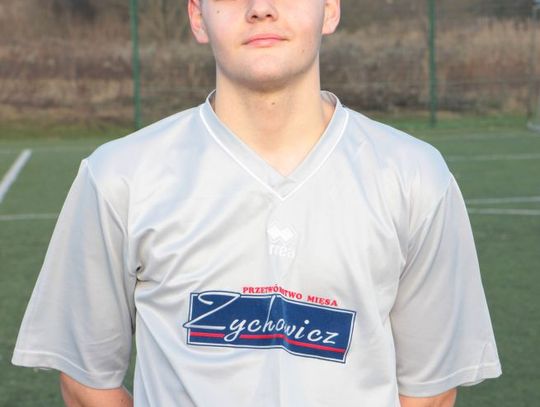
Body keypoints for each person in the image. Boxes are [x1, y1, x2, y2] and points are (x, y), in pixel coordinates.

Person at [12, 1, 501, 406]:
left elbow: (430, 390)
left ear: (330, 9)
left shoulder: (414, 177)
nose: (261, 8)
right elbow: (87, 381)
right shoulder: (119, 176)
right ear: (198, 17)